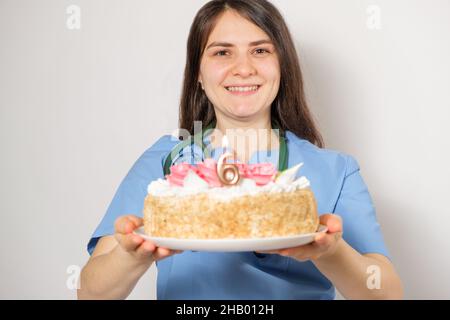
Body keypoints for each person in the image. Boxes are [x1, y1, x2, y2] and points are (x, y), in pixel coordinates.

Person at [78, 0, 403, 300]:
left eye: (260, 51)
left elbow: (387, 294)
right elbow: (89, 293)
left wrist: (329, 252)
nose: (243, 68)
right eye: (222, 52)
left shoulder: (334, 171)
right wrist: (130, 255)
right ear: (199, 75)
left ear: (282, 67)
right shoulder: (166, 163)